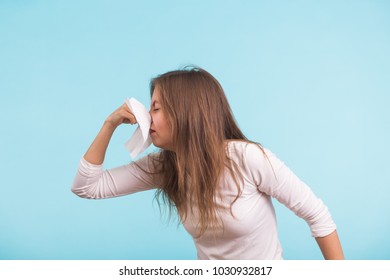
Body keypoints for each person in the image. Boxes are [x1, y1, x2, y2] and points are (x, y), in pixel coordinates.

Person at [71, 66, 344, 260]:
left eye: (156, 108)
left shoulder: (246, 158)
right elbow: (87, 187)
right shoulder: (165, 166)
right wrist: (109, 124)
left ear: (186, 112)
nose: (147, 117)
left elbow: (317, 215)